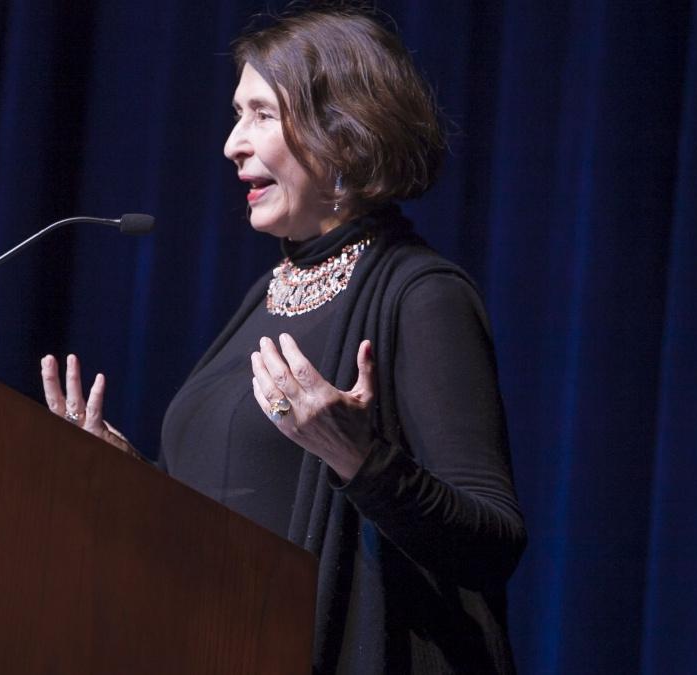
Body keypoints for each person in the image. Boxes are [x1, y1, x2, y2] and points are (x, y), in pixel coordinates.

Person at [41, 6, 526, 673]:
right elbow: (236, 507)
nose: (231, 143)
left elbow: (493, 542)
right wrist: (130, 477)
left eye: (261, 114)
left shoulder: (423, 295)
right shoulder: (267, 291)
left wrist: (362, 460)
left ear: (346, 131)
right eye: (238, 114)